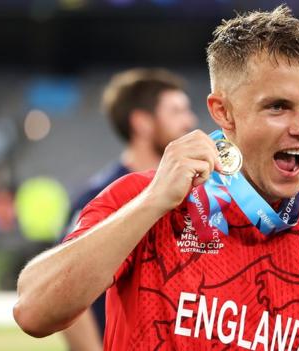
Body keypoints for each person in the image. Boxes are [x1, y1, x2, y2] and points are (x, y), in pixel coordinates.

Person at [14, 6, 299, 350]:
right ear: (224, 111)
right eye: (278, 106)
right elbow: (34, 312)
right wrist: (153, 202)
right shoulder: (145, 198)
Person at [59, 68, 198, 350]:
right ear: (142, 123)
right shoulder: (98, 197)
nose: (190, 121)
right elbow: (66, 289)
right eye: (177, 111)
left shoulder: (192, 193)